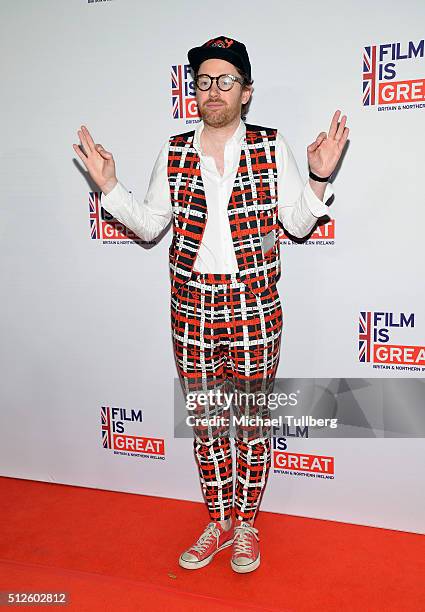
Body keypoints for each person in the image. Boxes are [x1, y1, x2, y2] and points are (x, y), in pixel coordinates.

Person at [73, 35, 349, 574]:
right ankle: (218, 520)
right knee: (205, 422)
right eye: (203, 82)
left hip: (253, 305)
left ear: (246, 92)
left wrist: (318, 176)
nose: (214, 91)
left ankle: (246, 525)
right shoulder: (174, 150)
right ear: (192, 92)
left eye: (226, 81)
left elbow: (294, 225)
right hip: (192, 305)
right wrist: (109, 187)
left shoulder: (272, 147)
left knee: (249, 422)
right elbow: (152, 226)